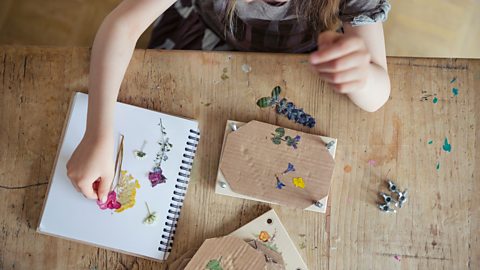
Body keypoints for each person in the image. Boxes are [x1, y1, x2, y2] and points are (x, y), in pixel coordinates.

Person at [67, 0, 391, 202]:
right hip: (204, 40)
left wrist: (362, 76)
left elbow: (378, 95)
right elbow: (122, 26)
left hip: (296, 68)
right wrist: (98, 134)